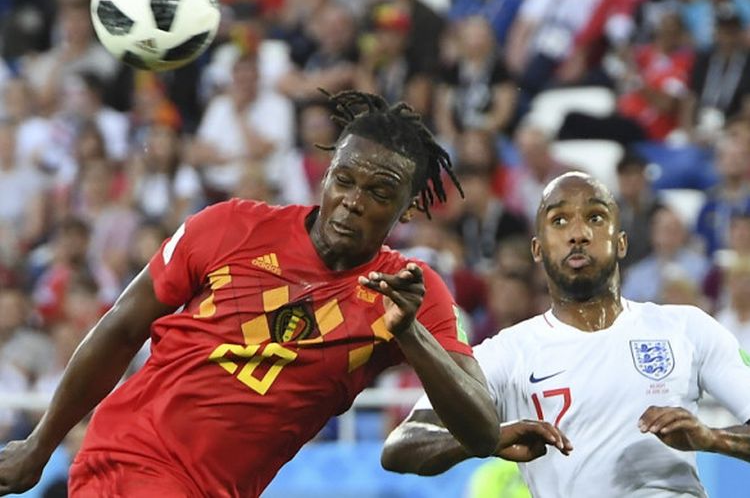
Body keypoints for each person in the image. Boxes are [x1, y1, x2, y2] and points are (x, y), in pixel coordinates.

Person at [0, 91, 502, 497]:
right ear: (324, 176)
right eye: (343, 180)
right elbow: (122, 327)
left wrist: (409, 333)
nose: (352, 201)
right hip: (131, 461)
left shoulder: (410, 291)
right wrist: (40, 445)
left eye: (379, 193)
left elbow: (481, 428)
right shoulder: (229, 226)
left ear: (409, 209)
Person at [382, 171, 750, 497]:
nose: (578, 234)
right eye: (559, 220)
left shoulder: (687, 327)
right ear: (538, 250)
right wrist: (489, 440)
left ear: (620, 242)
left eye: (595, 217)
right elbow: (402, 447)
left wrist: (712, 438)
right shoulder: (507, 354)